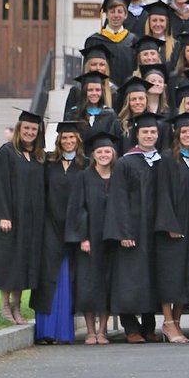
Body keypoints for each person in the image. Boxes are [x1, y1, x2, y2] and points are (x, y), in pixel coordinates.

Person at [103, 111, 163, 343]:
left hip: (153, 230)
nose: (149, 135)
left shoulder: (161, 161)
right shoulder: (126, 162)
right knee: (129, 278)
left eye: (153, 132)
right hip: (132, 231)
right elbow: (118, 199)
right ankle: (130, 327)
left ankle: (149, 327)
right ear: (137, 134)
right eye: (145, 132)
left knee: (151, 277)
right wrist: (123, 232)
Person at [32, 121, 85, 344]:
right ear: (59, 140)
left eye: (72, 138)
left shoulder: (85, 165)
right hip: (49, 228)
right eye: (64, 138)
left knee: (67, 278)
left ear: (78, 141)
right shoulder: (48, 164)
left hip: (75, 229)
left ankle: (63, 333)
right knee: (47, 277)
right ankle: (45, 332)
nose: (68, 141)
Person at [66, 132, 117, 344]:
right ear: (93, 154)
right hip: (90, 240)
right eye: (99, 152)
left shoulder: (118, 176)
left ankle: (102, 330)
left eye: (107, 151)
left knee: (107, 283)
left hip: (111, 240)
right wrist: (82, 237)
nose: (104, 155)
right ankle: (89, 330)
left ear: (113, 153)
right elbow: (77, 209)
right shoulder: (84, 177)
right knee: (89, 284)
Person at [154, 113, 189, 343]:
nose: (188, 135)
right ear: (176, 134)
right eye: (184, 131)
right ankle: (168, 322)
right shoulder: (167, 158)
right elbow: (162, 193)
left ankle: (177, 322)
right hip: (173, 228)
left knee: (186, 275)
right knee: (170, 276)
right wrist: (169, 224)